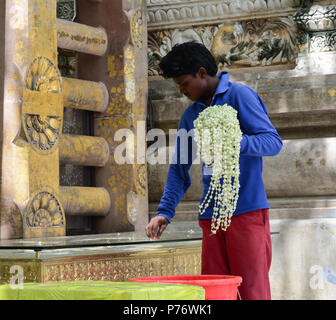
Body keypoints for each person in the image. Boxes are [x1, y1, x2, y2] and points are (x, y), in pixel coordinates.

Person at [145, 41, 283, 300]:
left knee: (252, 291)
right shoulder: (190, 116)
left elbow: (273, 143)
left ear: (201, 73)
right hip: (211, 218)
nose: (182, 91)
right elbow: (179, 169)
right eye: (178, 86)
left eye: (184, 83)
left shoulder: (240, 96)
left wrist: (236, 143)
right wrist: (164, 211)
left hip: (246, 211)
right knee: (215, 293)